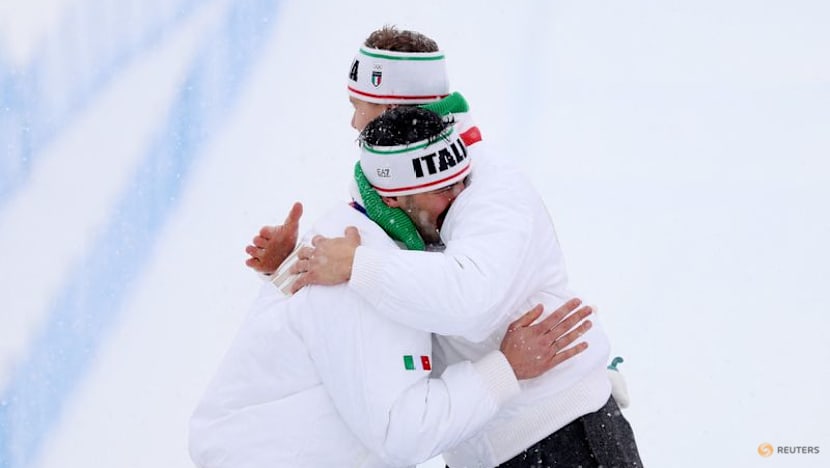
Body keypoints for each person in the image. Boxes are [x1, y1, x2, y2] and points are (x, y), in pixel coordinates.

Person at [246, 26, 642, 467]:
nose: (354, 122)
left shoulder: (492, 189)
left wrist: (357, 266)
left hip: (562, 431)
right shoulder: (393, 190)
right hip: (482, 446)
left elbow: (467, 298)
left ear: (400, 108)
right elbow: (355, 313)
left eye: (363, 107)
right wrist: (287, 272)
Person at [189, 106, 595, 468]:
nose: (458, 200)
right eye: (441, 190)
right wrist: (506, 368)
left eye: (461, 182)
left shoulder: (351, 245)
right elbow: (402, 433)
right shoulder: (351, 271)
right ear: (395, 198)